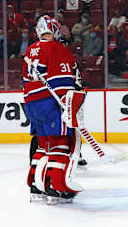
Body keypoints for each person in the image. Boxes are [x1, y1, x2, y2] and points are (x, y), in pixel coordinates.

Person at [23, 15, 82, 204]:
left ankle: (36, 186)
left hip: (32, 104)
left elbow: (26, 82)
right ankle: (56, 188)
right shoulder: (58, 48)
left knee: (43, 144)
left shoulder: (31, 49)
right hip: (50, 103)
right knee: (60, 144)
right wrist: (68, 104)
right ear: (54, 30)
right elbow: (62, 82)